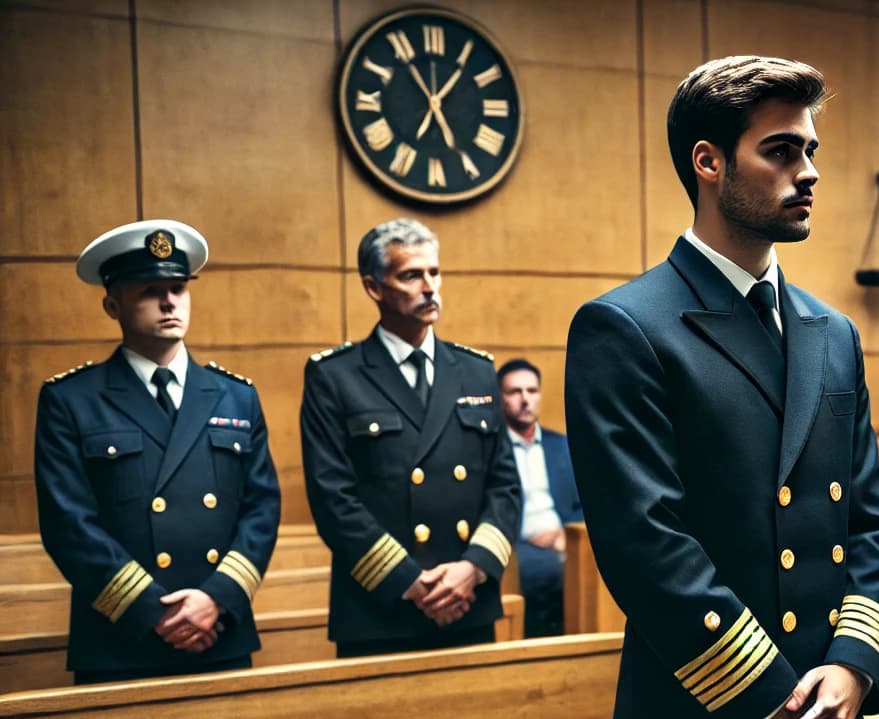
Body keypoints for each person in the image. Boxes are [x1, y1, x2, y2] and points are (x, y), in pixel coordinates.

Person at [561, 56, 879, 719]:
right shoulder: (628, 325)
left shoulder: (831, 333)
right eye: (780, 150)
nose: (808, 171)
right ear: (709, 163)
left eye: (811, 150)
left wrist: (848, 668)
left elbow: (871, 522)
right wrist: (774, 694)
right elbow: (645, 544)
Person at [36, 219, 281, 684]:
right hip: (121, 640)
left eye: (178, 288)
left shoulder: (236, 397)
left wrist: (216, 599)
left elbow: (262, 510)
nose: (170, 302)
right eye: (150, 291)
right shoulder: (71, 400)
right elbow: (69, 525)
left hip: (220, 630)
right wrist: (155, 613)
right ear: (113, 305)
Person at [300, 219, 520, 657]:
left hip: (468, 603)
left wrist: (473, 569)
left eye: (434, 273)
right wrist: (410, 582)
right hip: (381, 610)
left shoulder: (475, 370)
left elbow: (505, 486)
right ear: (373, 287)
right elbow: (332, 497)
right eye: (411, 275)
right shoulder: (335, 376)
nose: (429, 287)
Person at [497, 358, 583, 637]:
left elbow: (585, 504)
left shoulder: (563, 446)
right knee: (542, 570)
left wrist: (564, 534)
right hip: (516, 547)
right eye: (514, 392)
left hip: (565, 542)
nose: (525, 400)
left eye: (532, 391)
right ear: (500, 397)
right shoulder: (490, 448)